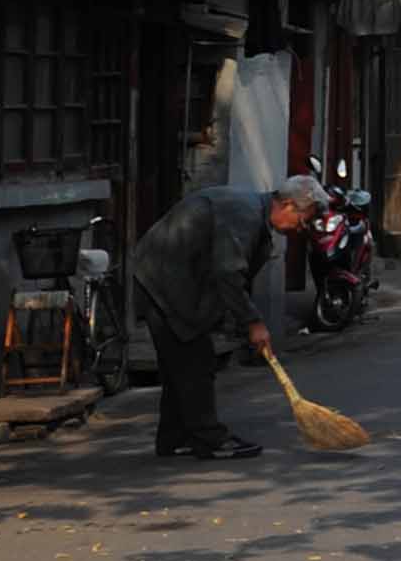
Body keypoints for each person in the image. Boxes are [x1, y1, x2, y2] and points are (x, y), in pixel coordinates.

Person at [129, 175, 317, 461]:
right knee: (196, 360)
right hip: (163, 281)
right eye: (302, 221)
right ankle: (209, 438)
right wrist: (253, 322)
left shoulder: (251, 213)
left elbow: (227, 273)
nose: (299, 229)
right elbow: (229, 273)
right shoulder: (245, 214)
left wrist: (239, 322)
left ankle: (175, 437)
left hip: (170, 280)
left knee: (180, 364)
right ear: (289, 205)